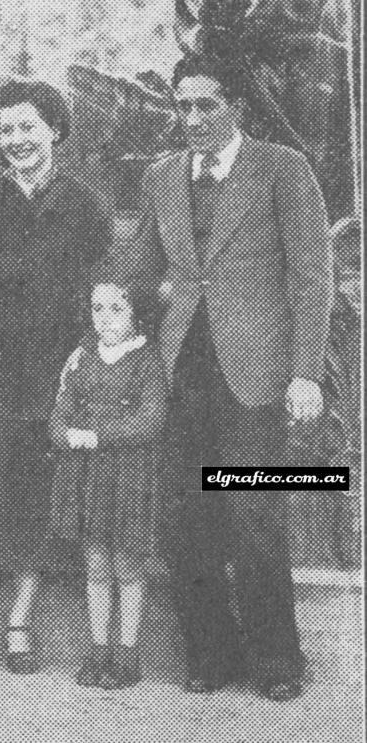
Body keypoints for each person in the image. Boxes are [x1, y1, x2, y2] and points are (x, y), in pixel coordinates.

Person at [129, 54, 332, 701]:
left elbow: (311, 277)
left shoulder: (281, 169)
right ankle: (211, 655)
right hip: (179, 368)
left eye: (205, 105)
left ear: (237, 106)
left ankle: (277, 662)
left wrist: (305, 373)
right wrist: (153, 287)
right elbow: (141, 266)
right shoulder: (161, 176)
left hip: (256, 374)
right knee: (185, 519)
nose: (191, 118)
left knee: (252, 512)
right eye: (182, 105)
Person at [0, 79, 110, 676]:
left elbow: (98, 291)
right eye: (6, 129)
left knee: (34, 489)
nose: (15, 140)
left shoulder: (84, 205)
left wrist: (82, 360)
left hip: (52, 372)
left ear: (54, 131)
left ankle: (19, 619)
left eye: (27, 127)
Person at [46, 272, 167, 690]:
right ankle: (99, 651)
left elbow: (152, 420)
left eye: (117, 308)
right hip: (86, 476)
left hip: (128, 476)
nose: (105, 318)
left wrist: (97, 436)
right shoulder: (81, 355)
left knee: (127, 564)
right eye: (98, 308)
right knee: (96, 564)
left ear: (138, 313)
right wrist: (64, 434)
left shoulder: (148, 361)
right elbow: (59, 411)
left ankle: (128, 655)